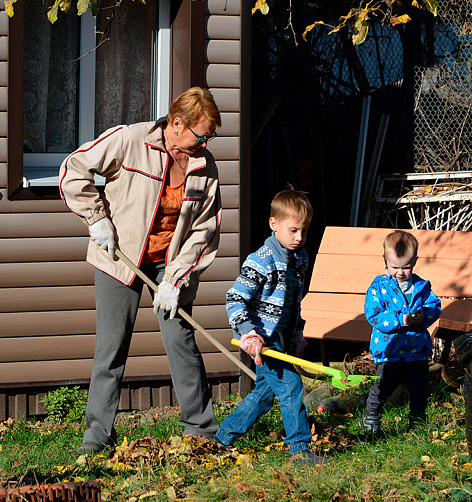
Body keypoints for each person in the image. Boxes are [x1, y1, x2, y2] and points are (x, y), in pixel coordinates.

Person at [59, 87, 223, 453]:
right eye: (202, 134)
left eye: (210, 136)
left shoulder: (204, 166)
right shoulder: (131, 140)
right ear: (177, 124)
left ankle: (201, 430)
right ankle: (97, 435)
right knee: (111, 347)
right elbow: (74, 168)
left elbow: (205, 229)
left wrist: (175, 278)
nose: (206, 142)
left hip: (171, 262)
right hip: (120, 257)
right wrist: (96, 219)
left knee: (182, 342)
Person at [212, 189, 327, 465]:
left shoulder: (300, 258)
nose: (299, 237)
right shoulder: (261, 259)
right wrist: (249, 335)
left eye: (304, 230)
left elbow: (295, 301)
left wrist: (297, 334)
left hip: (282, 337)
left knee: (264, 394)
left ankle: (223, 437)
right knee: (291, 386)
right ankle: (299, 449)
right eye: (293, 230)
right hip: (261, 338)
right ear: (273, 224)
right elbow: (235, 298)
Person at [360, 230, 442, 435]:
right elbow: (374, 314)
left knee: (420, 389)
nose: (400, 272)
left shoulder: (421, 287)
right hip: (390, 351)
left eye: (406, 267)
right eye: (394, 266)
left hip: (417, 351)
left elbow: (435, 306)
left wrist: (424, 316)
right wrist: (399, 319)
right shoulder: (379, 287)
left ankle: (417, 420)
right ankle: (371, 417)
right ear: (385, 260)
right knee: (383, 387)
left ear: (415, 261)